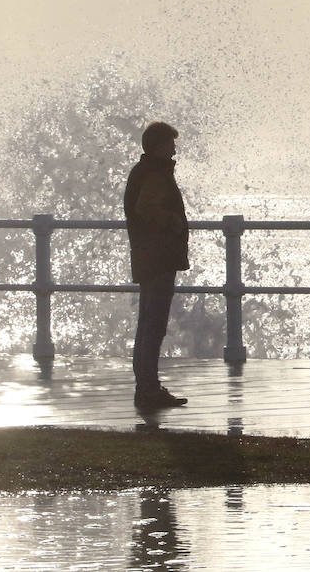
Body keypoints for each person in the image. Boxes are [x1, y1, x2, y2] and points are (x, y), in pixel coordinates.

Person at [124, 121, 190, 409]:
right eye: (171, 143)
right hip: (158, 256)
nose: (174, 149)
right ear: (159, 146)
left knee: (147, 323)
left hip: (149, 255)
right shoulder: (155, 173)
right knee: (154, 324)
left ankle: (146, 386)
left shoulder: (145, 171)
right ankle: (148, 389)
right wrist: (173, 221)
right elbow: (147, 208)